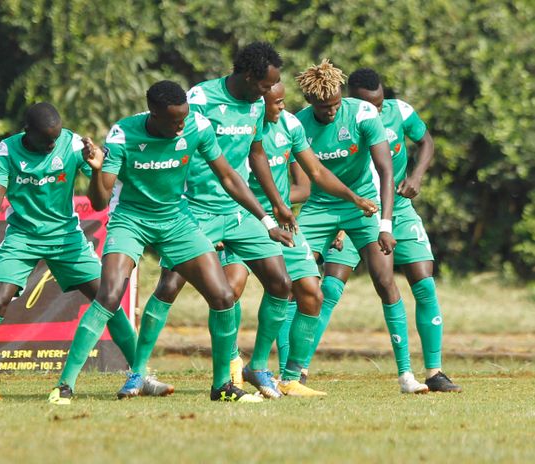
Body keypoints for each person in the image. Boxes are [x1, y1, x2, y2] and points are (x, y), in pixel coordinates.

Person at [48, 80, 294, 405]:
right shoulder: (124, 134)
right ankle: (64, 386)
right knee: (108, 295)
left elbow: (229, 177)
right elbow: (99, 200)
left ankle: (222, 386)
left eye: (184, 118)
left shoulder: (197, 126)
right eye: (174, 121)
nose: (181, 126)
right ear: (153, 113)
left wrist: (265, 221)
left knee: (222, 296)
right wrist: (96, 172)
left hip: (176, 220)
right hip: (130, 220)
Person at [118, 42, 294, 400]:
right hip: (194, 210)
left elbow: (255, 153)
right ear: (248, 76)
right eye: (265, 85)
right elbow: (163, 140)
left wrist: (275, 205)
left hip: (238, 211)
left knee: (280, 283)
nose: (269, 92)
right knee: (168, 287)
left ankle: (257, 366)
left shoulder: (257, 103)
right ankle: (136, 374)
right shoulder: (199, 98)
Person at [0, 103, 168, 396]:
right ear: (26, 131)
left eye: (54, 138)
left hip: (66, 237)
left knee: (108, 299)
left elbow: (99, 202)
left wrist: (96, 171)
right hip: (23, 236)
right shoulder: (7, 151)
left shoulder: (71, 144)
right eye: (45, 139)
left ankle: (140, 374)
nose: (51, 144)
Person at [302, 68, 460, 392]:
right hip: (356, 207)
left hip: (394, 207)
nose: (373, 110)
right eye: (365, 104)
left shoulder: (400, 111)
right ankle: (297, 370)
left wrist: (416, 177)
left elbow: (425, 142)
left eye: (378, 103)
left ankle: (433, 371)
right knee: (328, 289)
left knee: (423, 284)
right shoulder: (345, 119)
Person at [237, 81, 377, 396]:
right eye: (277, 103)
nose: (282, 107)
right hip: (242, 217)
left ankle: (290, 378)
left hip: (281, 222)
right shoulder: (242, 129)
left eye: (284, 101)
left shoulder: (290, 125)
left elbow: (316, 174)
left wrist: (353, 199)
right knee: (230, 289)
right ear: (260, 103)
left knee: (311, 293)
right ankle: (232, 369)